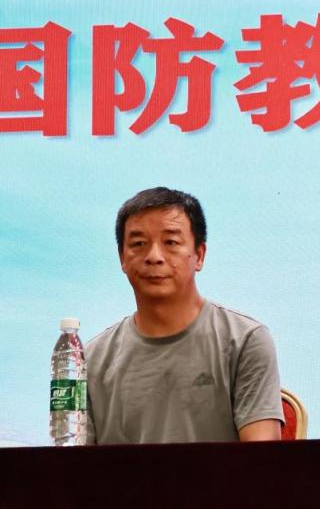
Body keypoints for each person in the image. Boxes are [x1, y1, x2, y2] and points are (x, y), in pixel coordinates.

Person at [86, 187, 283, 444]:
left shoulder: (244, 340)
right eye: (138, 244)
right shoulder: (90, 360)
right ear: (122, 258)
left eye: (170, 243)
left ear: (199, 255)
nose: (154, 257)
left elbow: (263, 460)